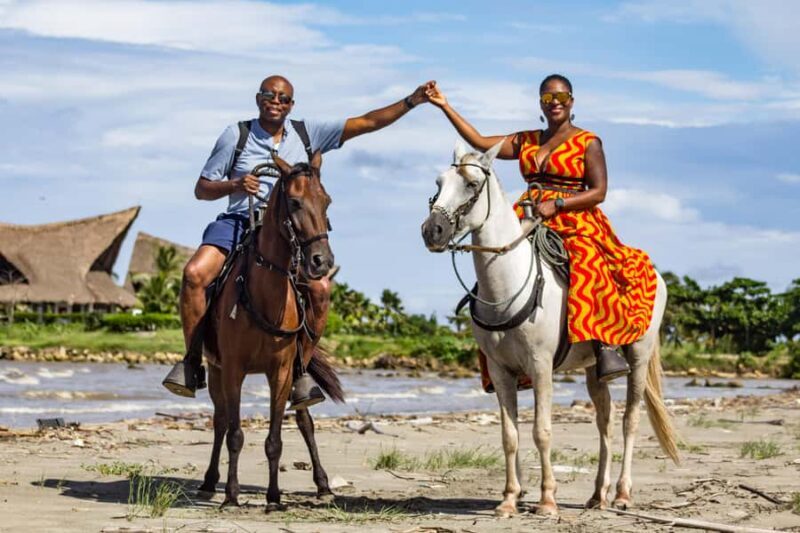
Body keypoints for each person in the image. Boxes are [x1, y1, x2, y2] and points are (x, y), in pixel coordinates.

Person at [163, 75, 433, 397]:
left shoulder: (309, 133)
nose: (276, 102)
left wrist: (411, 101)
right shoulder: (236, 135)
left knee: (320, 289)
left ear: (292, 105)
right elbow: (202, 189)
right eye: (270, 95)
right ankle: (192, 363)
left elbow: (367, 122)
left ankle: (300, 373)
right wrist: (235, 185)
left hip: (293, 229)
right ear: (258, 98)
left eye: (284, 98)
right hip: (241, 219)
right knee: (194, 274)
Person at [425, 74, 657, 383]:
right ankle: (502, 354)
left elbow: (599, 191)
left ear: (571, 102)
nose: (555, 104)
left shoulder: (589, 142)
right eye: (548, 99)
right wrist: (445, 106)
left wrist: (559, 205)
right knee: (495, 264)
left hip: (574, 216)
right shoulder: (527, 140)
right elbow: (480, 142)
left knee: (587, 263)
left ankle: (604, 345)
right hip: (528, 212)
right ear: (541, 104)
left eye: (561, 98)